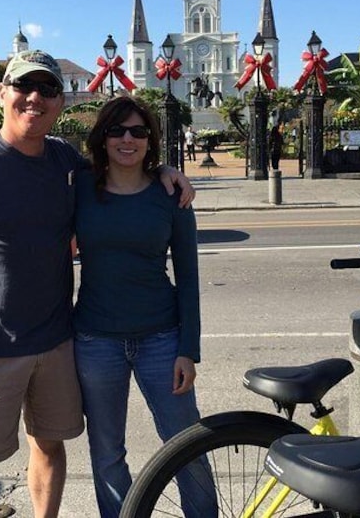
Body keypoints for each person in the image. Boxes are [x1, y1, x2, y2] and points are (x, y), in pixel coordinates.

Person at [0, 50, 193, 518]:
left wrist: (161, 169)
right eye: (24, 87)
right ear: (3, 93)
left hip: (59, 341)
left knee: (50, 446)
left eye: (47, 90)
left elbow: (120, 164)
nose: (34, 99)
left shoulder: (64, 160)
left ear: (60, 103)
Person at [73, 96, 215, 517]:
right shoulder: (80, 186)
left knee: (187, 445)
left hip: (162, 339)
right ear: (102, 138)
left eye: (138, 131)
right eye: (117, 130)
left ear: (151, 140)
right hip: (96, 341)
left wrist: (189, 349)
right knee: (107, 453)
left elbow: (188, 278)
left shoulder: (171, 195)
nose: (127, 139)